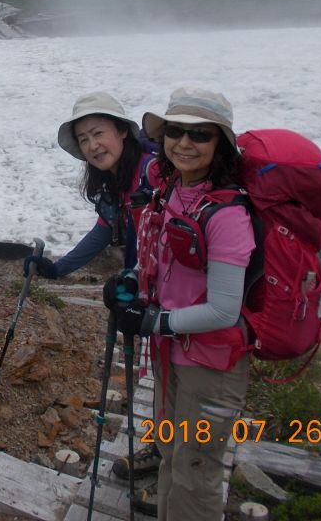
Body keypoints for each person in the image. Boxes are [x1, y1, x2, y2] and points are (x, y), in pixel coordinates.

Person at [105, 87, 255, 521]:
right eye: (175, 132)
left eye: (201, 135)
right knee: (172, 454)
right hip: (175, 354)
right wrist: (131, 281)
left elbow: (225, 310)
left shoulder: (227, 214)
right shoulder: (173, 191)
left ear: (220, 144)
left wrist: (153, 321)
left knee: (195, 472)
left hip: (210, 364)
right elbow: (164, 264)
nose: (185, 144)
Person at [24, 91, 156, 280]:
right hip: (148, 289)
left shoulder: (153, 172)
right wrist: (54, 269)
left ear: (122, 131)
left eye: (98, 133)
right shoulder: (113, 185)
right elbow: (102, 233)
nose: (93, 146)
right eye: (84, 139)